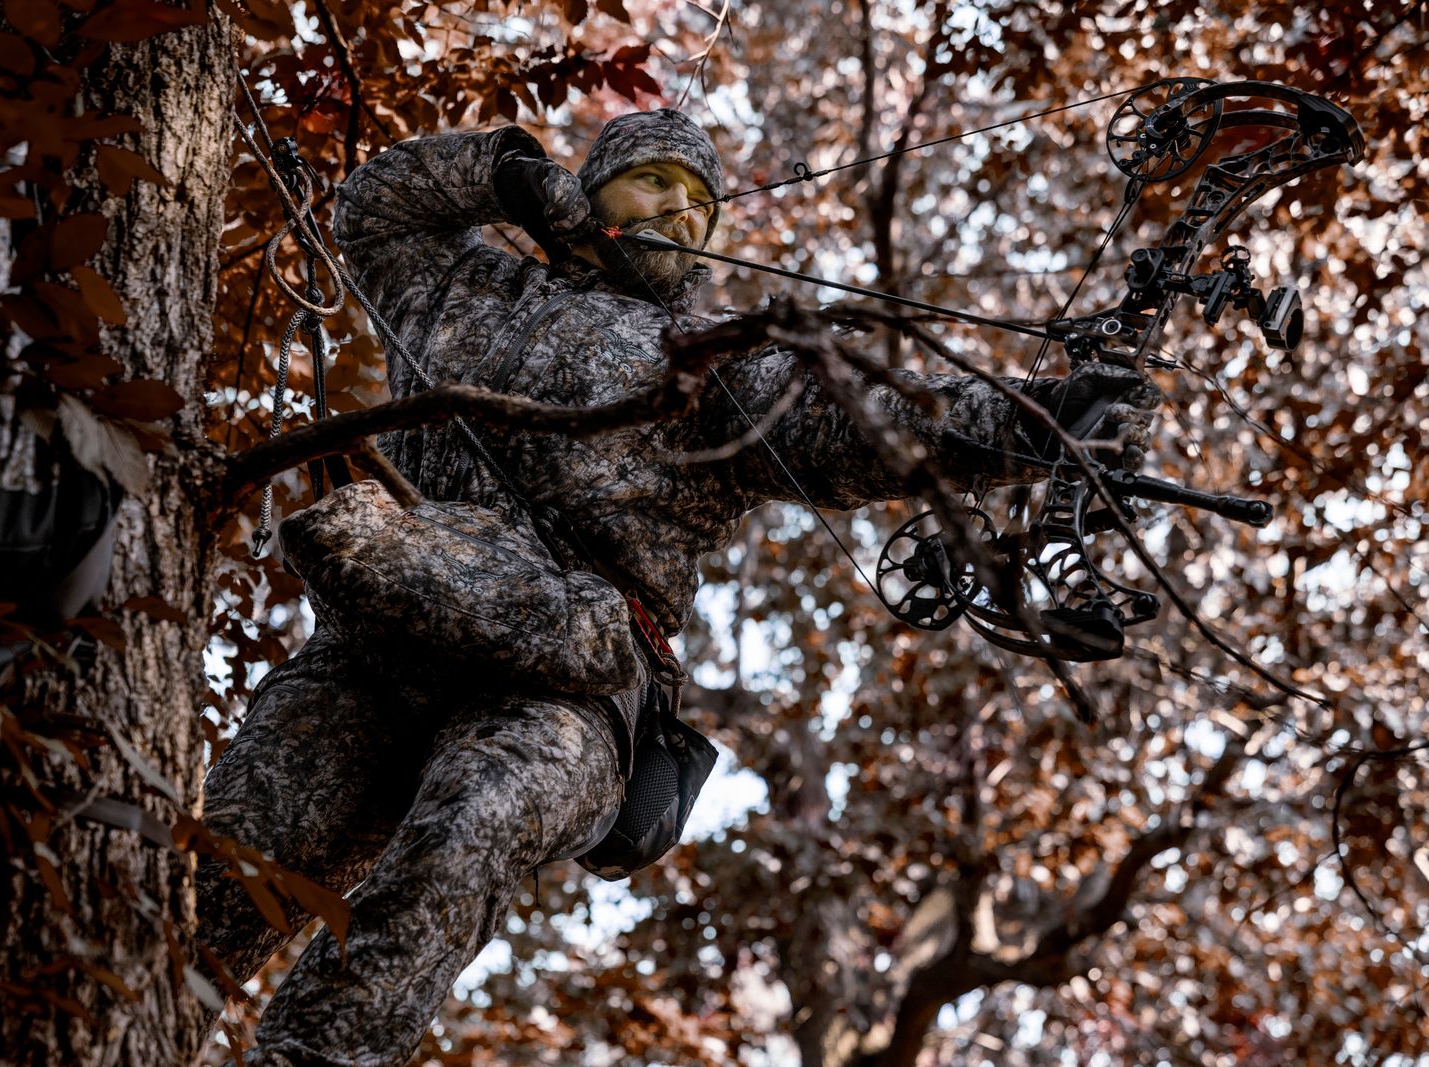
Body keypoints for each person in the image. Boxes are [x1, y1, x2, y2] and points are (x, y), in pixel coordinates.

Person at [196, 108, 1154, 1066]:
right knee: (220, 870)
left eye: (703, 206)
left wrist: (1051, 421)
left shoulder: (709, 362)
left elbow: (860, 423)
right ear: (596, 182)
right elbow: (374, 207)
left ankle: (314, 1057)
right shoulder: (461, 284)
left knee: (478, 817)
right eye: (658, 183)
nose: (683, 215)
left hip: (567, 684)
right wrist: (510, 176)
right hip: (380, 642)